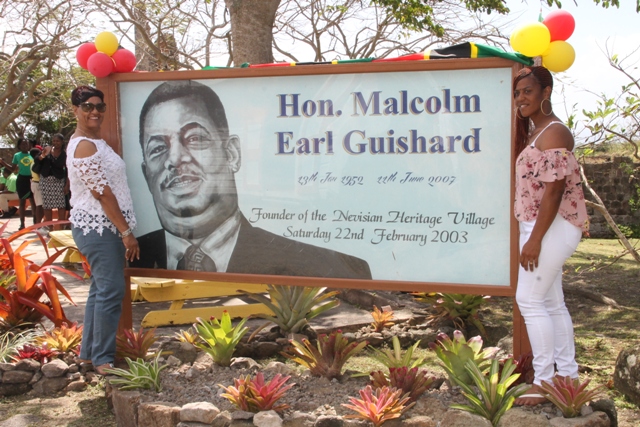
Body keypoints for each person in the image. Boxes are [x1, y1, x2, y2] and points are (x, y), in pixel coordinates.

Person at [132, 80, 371, 279]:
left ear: (232, 154)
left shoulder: (321, 267)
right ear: (146, 174)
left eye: (195, 138)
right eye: (157, 149)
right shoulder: (127, 262)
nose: (174, 158)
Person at [511, 66, 589, 406]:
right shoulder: (535, 132)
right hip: (540, 226)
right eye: (517, 93)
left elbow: (554, 193)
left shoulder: (555, 133)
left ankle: (543, 381)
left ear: (547, 92)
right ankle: (567, 376)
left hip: (553, 226)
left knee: (528, 300)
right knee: (552, 303)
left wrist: (535, 239)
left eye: (527, 91)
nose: (521, 98)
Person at [67, 85, 139, 375]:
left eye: (100, 106)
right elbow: (102, 194)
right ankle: (103, 360)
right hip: (98, 229)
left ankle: (89, 354)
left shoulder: (94, 142)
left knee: (100, 290)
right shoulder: (83, 145)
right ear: (75, 110)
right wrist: (126, 232)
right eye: (87, 106)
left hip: (103, 228)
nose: (95, 111)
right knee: (111, 291)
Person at [0, 138, 36, 230]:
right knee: (22, 202)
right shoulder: (17, 155)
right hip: (22, 179)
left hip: (32, 179)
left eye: (27, 144)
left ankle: (36, 223)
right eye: (23, 144)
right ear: (19, 146)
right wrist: (2, 162)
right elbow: (13, 169)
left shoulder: (32, 154)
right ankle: (22, 224)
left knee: (33, 202)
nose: (25, 146)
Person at [35, 134, 68, 228]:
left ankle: (61, 228)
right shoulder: (47, 150)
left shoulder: (65, 154)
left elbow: (68, 170)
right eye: (54, 141)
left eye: (57, 141)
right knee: (47, 206)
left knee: (61, 205)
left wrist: (67, 185)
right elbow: (37, 160)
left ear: (62, 142)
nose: (55, 143)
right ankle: (50, 228)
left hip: (59, 181)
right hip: (45, 181)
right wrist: (44, 154)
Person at [29, 147, 44, 225]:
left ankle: (40, 223)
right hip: (37, 183)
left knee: (41, 205)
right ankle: (38, 224)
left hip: (36, 183)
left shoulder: (33, 162)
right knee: (39, 205)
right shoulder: (35, 163)